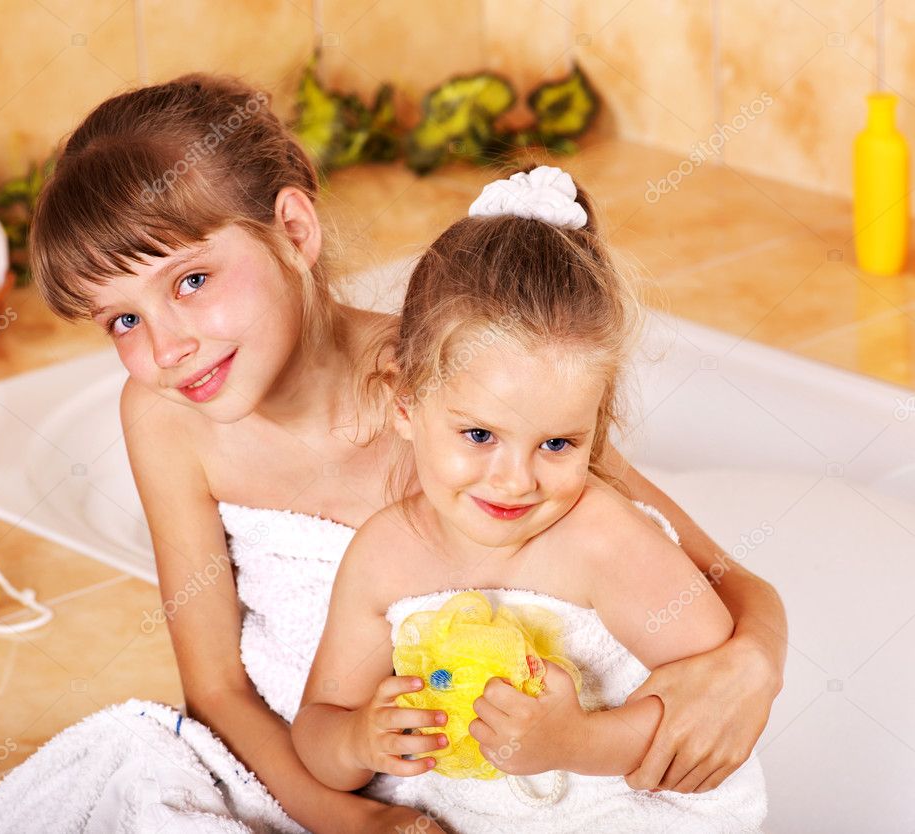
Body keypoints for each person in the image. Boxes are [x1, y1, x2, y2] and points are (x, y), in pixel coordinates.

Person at [26, 73, 785, 833]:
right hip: (317, 776)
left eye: (191, 280)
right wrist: (353, 823)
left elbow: (697, 565)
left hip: (512, 784)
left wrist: (753, 660)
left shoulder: (456, 393)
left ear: (293, 231)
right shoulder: (164, 419)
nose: (166, 348)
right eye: (122, 321)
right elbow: (217, 690)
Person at [291, 166, 767, 832]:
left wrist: (574, 742)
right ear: (404, 402)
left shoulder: (607, 545)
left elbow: (706, 719)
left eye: (557, 445)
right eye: (479, 434)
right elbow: (315, 727)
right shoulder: (385, 555)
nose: (514, 481)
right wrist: (356, 741)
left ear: (596, 429)